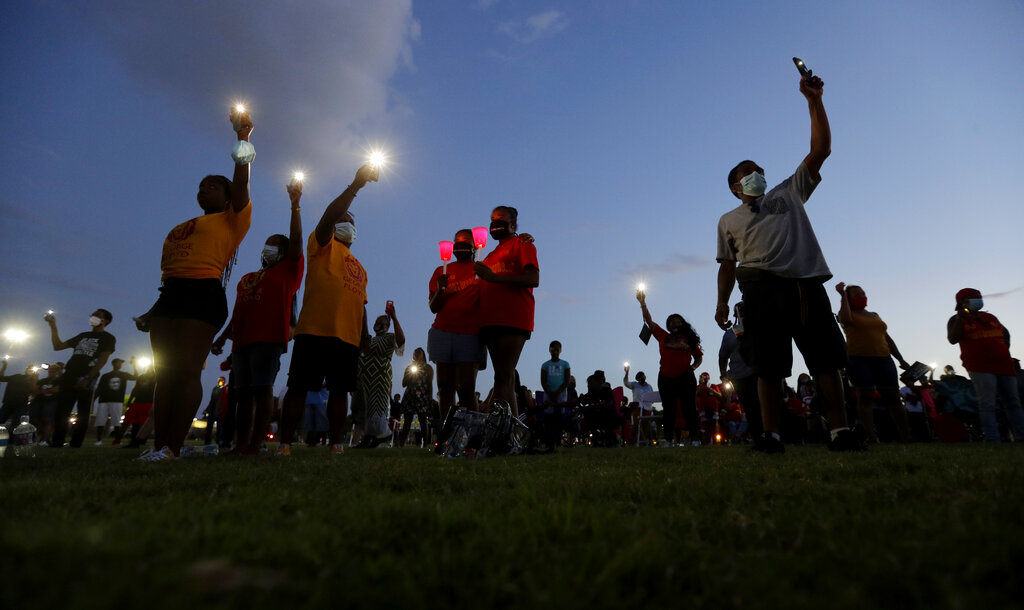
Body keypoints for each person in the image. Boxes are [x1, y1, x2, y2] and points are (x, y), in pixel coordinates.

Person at [714, 66, 858, 454]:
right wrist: (722, 301)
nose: (757, 173)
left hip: (804, 283)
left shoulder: (789, 191)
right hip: (760, 288)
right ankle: (771, 436)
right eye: (748, 172)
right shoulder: (728, 220)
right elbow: (727, 264)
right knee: (769, 365)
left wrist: (815, 102)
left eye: (759, 169)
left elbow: (821, 149)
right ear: (735, 186)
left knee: (826, 360)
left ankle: (840, 432)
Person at [132, 109, 253, 460]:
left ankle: (171, 445)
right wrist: (153, 309)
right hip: (171, 297)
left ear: (228, 197)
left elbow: (242, 182)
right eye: (200, 186)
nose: (204, 189)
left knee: (185, 371)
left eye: (213, 186)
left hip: (202, 296)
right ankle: (159, 446)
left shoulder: (233, 220)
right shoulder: (181, 226)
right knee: (164, 374)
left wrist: (242, 140)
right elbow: (168, 275)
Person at [275, 164, 378, 456]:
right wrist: (355, 186)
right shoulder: (322, 244)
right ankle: (284, 442)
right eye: (341, 220)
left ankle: (336, 444)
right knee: (298, 387)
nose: (346, 224)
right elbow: (330, 215)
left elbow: (361, 302)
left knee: (339, 389)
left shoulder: (360, 267)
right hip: (314, 329)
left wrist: (364, 334)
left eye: (350, 222)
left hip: (346, 337)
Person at [212, 179, 305, 455]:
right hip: (241, 342)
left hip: (268, 339)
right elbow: (239, 311)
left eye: (275, 245)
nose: (268, 248)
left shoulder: (289, 272)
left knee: (262, 389)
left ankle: (257, 442)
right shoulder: (247, 278)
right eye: (266, 244)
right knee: (242, 394)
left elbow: (297, 240)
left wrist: (295, 207)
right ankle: (241, 444)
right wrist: (222, 337)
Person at [475, 206, 540, 417]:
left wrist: (492, 277)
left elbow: (533, 279)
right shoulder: (489, 255)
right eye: (492, 220)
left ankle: (498, 430)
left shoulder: (522, 244)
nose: (494, 224)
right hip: (490, 319)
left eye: (500, 220)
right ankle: (511, 430)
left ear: (512, 225)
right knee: (505, 377)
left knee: (503, 376)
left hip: (513, 318)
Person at [427, 229, 484, 444]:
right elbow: (433, 308)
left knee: (467, 388)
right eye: (456, 242)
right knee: (444, 387)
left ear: (474, 246)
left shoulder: (480, 269)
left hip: (470, 333)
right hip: (442, 331)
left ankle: (474, 437)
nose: (460, 245)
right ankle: (448, 435)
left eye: (465, 242)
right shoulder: (442, 271)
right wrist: (441, 289)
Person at [835, 282, 912, 443]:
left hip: (884, 358)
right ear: (848, 299)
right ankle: (871, 436)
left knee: (893, 397)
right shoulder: (847, 314)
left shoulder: (875, 316)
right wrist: (842, 296)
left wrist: (900, 358)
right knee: (865, 396)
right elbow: (844, 318)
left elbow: (887, 338)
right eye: (857, 295)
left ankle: (905, 436)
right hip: (858, 359)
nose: (862, 296)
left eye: (863, 293)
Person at [946, 287, 1024, 442]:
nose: (979, 299)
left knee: (1013, 402)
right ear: (963, 302)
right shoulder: (955, 320)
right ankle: (993, 439)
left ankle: (1021, 437)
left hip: (1004, 365)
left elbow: (1005, 333)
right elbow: (952, 339)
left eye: (979, 297)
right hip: (979, 367)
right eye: (974, 297)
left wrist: (1003, 348)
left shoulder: (990, 317)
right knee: (987, 403)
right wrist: (961, 318)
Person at [637, 290, 703, 446]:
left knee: (689, 408)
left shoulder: (689, 339)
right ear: (668, 325)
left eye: (677, 320)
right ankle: (668, 439)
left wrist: (693, 367)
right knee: (669, 409)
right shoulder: (663, 336)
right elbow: (649, 321)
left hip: (685, 378)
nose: (674, 322)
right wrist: (642, 302)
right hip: (666, 377)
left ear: (682, 323)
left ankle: (695, 439)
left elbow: (699, 357)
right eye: (671, 320)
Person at [46, 309, 116, 448]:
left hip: (86, 377)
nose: (93, 316)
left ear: (105, 321)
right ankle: (57, 442)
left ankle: (76, 443)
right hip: (69, 375)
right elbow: (57, 346)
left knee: (83, 412)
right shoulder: (82, 335)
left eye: (98, 315)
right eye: (93, 314)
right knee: (62, 410)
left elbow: (103, 359)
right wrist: (53, 326)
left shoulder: (108, 338)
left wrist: (88, 378)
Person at [354, 306, 406, 448]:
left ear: (387, 326)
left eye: (381, 322)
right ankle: (368, 438)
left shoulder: (390, 337)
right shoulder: (370, 339)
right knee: (362, 407)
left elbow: (401, 342)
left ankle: (383, 434)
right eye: (376, 321)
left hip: (379, 378)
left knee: (376, 407)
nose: (378, 324)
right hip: (364, 379)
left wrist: (394, 317)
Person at [718, 302, 762, 439]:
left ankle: (772, 434)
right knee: (748, 407)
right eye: (739, 310)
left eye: (744, 309)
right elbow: (723, 355)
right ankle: (757, 437)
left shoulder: (760, 326)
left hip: (758, 372)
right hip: (739, 376)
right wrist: (723, 374)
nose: (742, 312)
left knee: (761, 404)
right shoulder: (730, 334)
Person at [92, 358, 138, 446]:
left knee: (116, 421)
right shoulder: (106, 376)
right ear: (114, 364)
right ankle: (99, 441)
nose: (120, 364)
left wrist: (135, 365)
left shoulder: (123, 374)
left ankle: (117, 441)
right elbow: (99, 388)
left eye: (121, 363)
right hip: (104, 400)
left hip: (117, 401)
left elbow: (135, 377)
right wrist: (93, 399)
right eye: (119, 363)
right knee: (100, 421)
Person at [399, 348, 433, 447]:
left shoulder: (428, 368)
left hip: (422, 396)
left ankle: (425, 444)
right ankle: (401, 443)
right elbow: (403, 384)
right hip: (410, 395)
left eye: (419, 353)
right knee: (407, 420)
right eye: (415, 353)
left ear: (423, 355)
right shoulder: (409, 368)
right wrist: (410, 374)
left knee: (423, 420)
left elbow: (429, 383)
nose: (417, 355)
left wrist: (429, 396)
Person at [116, 365, 156, 449]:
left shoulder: (156, 378)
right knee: (133, 422)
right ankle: (133, 441)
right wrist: (130, 400)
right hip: (137, 402)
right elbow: (136, 388)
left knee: (142, 423)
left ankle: (138, 441)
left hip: (148, 403)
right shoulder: (142, 377)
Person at [0, 359, 38, 428]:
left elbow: (33, 390)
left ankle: (13, 438)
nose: (30, 370)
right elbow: (1, 378)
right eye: (29, 368)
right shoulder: (17, 376)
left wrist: (35, 378)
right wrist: (4, 366)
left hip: (21, 405)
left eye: (32, 370)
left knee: (16, 426)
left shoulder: (34, 381)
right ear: (26, 370)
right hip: (8, 403)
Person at [30, 362, 62, 445]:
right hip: (38, 402)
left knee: (47, 420)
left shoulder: (59, 380)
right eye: (51, 369)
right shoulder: (42, 380)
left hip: (51, 402)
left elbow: (56, 389)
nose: (52, 371)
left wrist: (40, 392)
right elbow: (34, 390)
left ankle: (44, 440)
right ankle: (35, 439)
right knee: (35, 420)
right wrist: (35, 378)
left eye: (54, 369)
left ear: (58, 371)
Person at [623, 364, 656, 441]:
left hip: (647, 408)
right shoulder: (635, 385)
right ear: (638, 379)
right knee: (636, 424)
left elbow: (652, 398)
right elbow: (626, 382)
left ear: (644, 376)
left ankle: (645, 441)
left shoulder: (649, 386)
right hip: (637, 407)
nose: (642, 378)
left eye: (642, 376)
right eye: (640, 377)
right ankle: (633, 440)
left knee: (646, 426)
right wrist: (627, 372)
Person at [540, 340, 572, 408]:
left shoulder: (565, 364)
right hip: (548, 395)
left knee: (560, 414)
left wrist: (557, 393)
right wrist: (550, 394)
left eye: (557, 350)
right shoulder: (545, 365)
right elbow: (543, 381)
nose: (555, 352)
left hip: (561, 395)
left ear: (560, 350)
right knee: (549, 415)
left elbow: (567, 380)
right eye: (553, 350)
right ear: (550, 350)